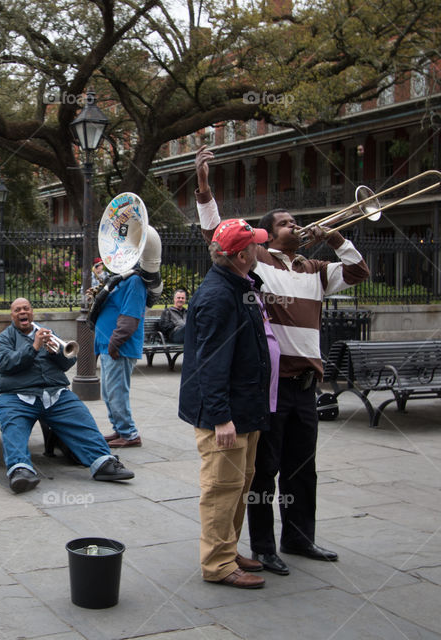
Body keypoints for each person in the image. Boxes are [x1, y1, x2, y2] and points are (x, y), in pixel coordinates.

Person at [194, 145, 370, 573]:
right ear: (269, 235)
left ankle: (300, 538)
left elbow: (359, 271)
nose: (296, 225)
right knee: (263, 470)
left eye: (295, 220)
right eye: (286, 222)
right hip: (273, 385)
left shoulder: (314, 268)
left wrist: (337, 237)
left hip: (307, 387)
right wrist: (203, 187)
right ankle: (264, 547)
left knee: (302, 470)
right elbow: (218, 234)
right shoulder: (260, 264)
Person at [179, 219, 272, 589]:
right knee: (221, 488)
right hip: (226, 413)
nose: (259, 249)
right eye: (255, 245)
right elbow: (211, 362)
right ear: (242, 254)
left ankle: (228, 549)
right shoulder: (219, 295)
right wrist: (221, 419)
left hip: (244, 407)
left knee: (239, 483)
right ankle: (217, 564)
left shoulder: (237, 284)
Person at [0, 298, 134, 493]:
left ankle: (103, 463)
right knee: (13, 429)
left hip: (54, 394)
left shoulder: (46, 332)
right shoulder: (5, 338)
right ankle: (20, 470)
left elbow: (67, 362)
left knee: (82, 418)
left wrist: (56, 352)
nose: (22, 312)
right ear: (12, 316)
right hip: (17, 396)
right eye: (17, 310)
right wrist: (33, 348)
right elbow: (4, 365)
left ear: (31, 312)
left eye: (26, 308)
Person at [92, 238, 161, 448]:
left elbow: (130, 318)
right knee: (109, 392)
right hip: (110, 346)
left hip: (118, 348)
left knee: (116, 392)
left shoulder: (134, 281)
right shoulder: (121, 280)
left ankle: (129, 434)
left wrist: (114, 343)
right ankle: (120, 429)